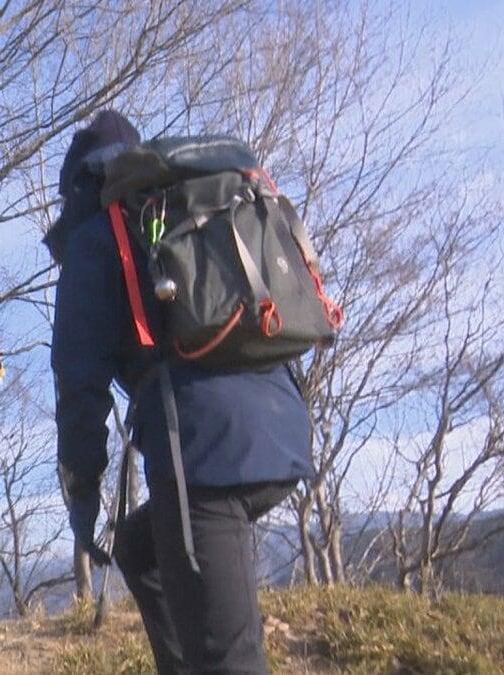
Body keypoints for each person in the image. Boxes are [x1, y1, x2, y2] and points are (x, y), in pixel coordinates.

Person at [48, 110, 315, 673]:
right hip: (284, 434)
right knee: (142, 551)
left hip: (202, 458)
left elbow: (80, 386)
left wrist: (81, 492)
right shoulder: (185, 213)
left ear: (79, 186)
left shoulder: (100, 238)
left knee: (229, 659)